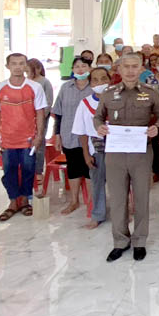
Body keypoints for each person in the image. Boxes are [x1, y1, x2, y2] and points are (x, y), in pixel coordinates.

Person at [93, 53, 159, 262]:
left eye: (135, 66)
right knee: (118, 199)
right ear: (119, 69)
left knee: (142, 197)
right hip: (115, 153)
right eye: (126, 66)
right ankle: (120, 241)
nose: (131, 71)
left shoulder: (151, 92)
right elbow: (98, 116)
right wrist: (99, 126)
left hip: (141, 152)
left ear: (141, 69)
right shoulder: (108, 93)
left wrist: (157, 126)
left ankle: (140, 241)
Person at [0, 53, 47, 222]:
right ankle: (12, 202)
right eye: (14, 63)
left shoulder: (35, 87)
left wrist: (39, 135)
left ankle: (24, 201)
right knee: (8, 171)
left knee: (28, 170)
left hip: (28, 140)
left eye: (21, 63)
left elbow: (40, 113)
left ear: (26, 66)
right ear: (7, 66)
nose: (18, 67)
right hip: (7, 139)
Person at [53, 56, 94, 215]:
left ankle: (92, 203)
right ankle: (74, 201)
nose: (80, 69)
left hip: (90, 136)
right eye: (77, 66)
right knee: (73, 167)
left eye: (84, 66)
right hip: (69, 133)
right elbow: (58, 113)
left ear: (90, 69)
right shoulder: (66, 87)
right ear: (72, 70)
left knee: (90, 167)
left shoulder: (94, 87)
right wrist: (57, 134)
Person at [71, 67, 111, 229]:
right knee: (97, 183)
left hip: (117, 149)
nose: (100, 82)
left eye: (104, 78)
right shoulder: (85, 103)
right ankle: (98, 215)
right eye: (95, 79)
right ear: (90, 83)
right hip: (96, 149)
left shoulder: (117, 100)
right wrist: (86, 154)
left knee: (120, 183)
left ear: (110, 80)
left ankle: (122, 212)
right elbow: (81, 132)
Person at [26, 58, 53, 188]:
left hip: (41, 118)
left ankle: (38, 172)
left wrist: (40, 117)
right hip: (26, 119)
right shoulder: (25, 82)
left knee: (39, 144)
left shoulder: (44, 82)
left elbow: (48, 101)